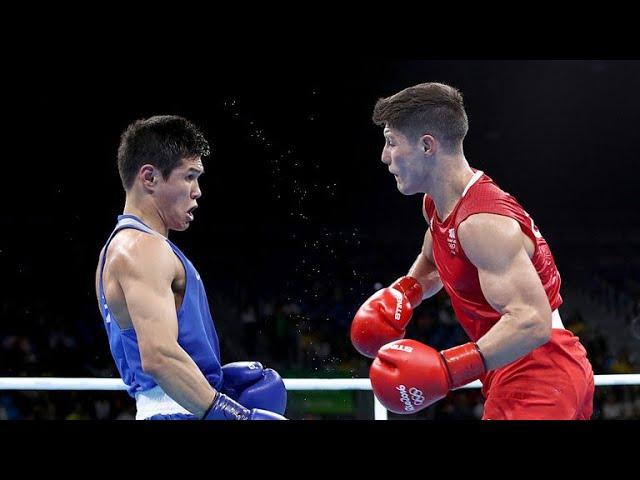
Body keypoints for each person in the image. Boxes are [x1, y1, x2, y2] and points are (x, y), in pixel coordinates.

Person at [350, 83, 594, 420]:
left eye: (392, 142)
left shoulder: (481, 224)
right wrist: (404, 293)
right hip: (516, 366)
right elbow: (433, 261)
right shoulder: (437, 204)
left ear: (426, 146)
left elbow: (532, 321)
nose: (384, 155)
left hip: (537, 368)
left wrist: (448, 370)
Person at [95, 115, 287, 420]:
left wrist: (212, 382)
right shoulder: (141, 249)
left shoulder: (126, 247)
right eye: (189, 176)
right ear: (149, 177)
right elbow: (158, 357)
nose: (197, 190)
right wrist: (230, 414)